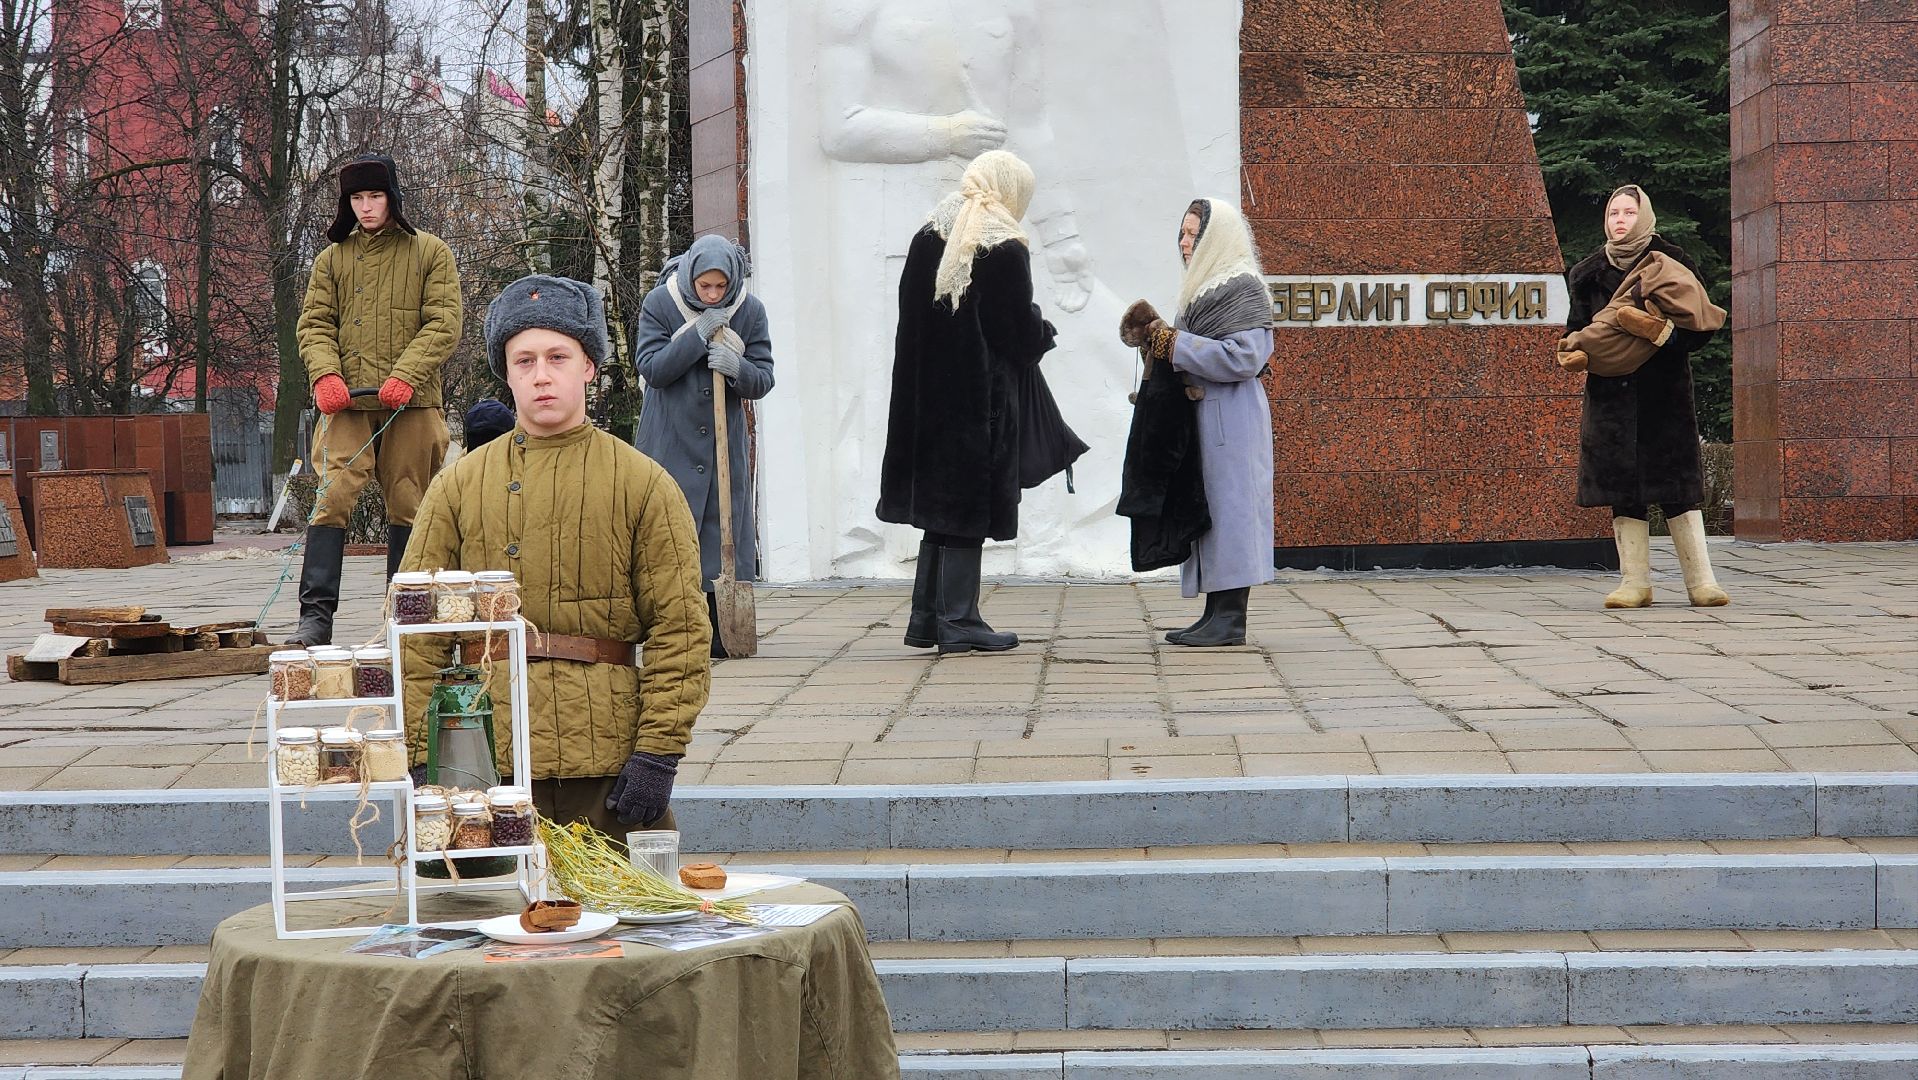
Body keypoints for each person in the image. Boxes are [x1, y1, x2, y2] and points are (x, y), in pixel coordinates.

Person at [400, 274, 711, 840]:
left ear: (588, 366)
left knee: (624, 924)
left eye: (557, 357)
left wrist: (658, 753)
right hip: (483, 756)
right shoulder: (456, 488)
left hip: (609, 766)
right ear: (507, 372)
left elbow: (680, 630)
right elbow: (415, 633)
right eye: (524, 360)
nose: (541, 375)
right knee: (486, 924)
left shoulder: (644, 485)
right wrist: (424, 755)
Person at [877, 150, 1054, 654]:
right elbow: (1018, 336)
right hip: (978, 402)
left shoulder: (930, 232)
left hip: (922, 399)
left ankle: (926, 619)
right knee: (966, 508)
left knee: (940, 508)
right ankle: (960, 619)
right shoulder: (1001, 245)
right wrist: (1043, 328)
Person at [289, 153, 461, 646]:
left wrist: (407, 374)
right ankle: (315, 618)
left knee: (411, 505)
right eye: (357, 198)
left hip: (413, 404)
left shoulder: (430, 253)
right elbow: (315, 324)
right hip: (346, 405)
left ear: (393, 198)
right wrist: (324, 375)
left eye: (375, 196)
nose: (366, 207)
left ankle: (404, 621)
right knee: (330, 500)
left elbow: (444, 322)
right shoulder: (332, 259)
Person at [1560, 184, 1729, 609]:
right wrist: (1576, 354)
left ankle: (1701, 583)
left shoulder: (1672, 262)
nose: (1620, 220)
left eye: (1628, 213)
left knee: (1678, 487)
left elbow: (1700, 327)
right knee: (1623, 489)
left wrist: (1662, 335)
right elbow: (1574, 330)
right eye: (1614, 213)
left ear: (1644, 216)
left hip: (1663, 394)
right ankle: (1634, 583)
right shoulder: (1586, 273)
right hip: (1611, 398)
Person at [1119, 198, 1275, 647]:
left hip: (1231, 420)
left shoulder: (1241, 288)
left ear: (1217, 238)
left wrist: (1174, 344)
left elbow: (1245, 357)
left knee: (1232, 513)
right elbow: (1198, 347)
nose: (1186, 243)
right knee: (1210, 513)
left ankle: (1231, 619)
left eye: (1195, 234)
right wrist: (1161, 349)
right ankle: (1215, 612)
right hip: (1207, 420)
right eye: (1183, 234)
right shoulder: (1206, 286)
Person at [633, 235, 775, 659]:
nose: (712, 296)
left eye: (719, 287)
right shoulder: (661, 304)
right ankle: (670, 624)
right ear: (690, 276)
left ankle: (719, 627)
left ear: (732, 280)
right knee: (669, 531)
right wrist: (696, 335)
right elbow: (653, 368)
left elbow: (764, 377)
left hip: (721, 445)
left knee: (720, 529)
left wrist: (739, 368)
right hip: (669, 438)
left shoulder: (749, 310)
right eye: (704, 287)